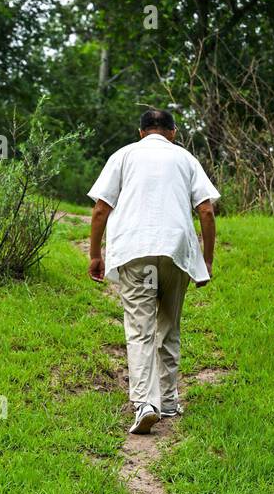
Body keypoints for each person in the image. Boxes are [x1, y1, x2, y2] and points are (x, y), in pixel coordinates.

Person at [87, 108, 219, 433]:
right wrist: (207, 259)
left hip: (136, 252)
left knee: (140, 329)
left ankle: (146, 403)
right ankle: (170, 401)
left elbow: (101, 208)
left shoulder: (123, 155)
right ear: (173, 132)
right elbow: (206, 209)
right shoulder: (186, 159)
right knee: (169, 325)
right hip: (175, 253)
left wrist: (94, 254)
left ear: (141, 131)